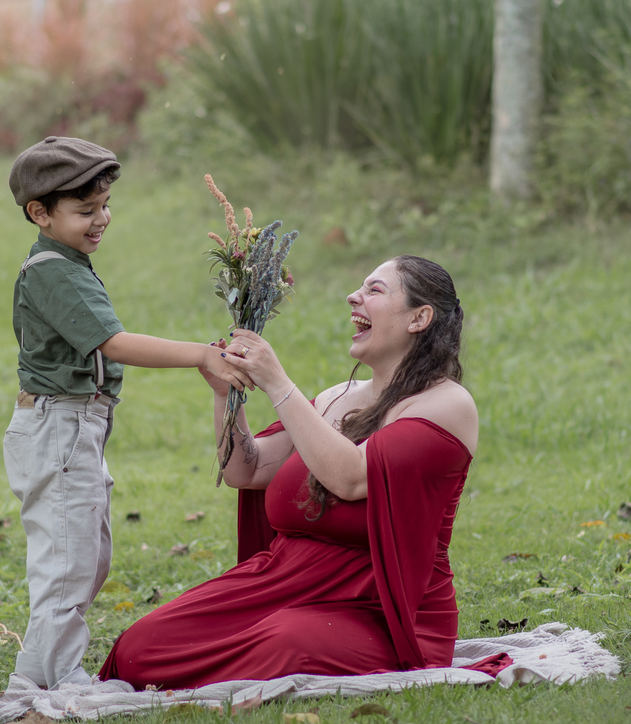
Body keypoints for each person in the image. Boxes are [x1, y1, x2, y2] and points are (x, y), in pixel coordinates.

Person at [99, 255, 482, 689]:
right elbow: (246, 469)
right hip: (280, 582)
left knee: (282, 642)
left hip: (376, 606)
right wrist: (226, 395)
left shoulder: (446, 405)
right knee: (140, 648)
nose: (353, 296)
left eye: (375, 290)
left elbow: (351, 478)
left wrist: (279, 383)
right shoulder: (336, 397)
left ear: (420, 317)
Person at [3, 136, 251, 691]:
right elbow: (113, 343)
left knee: (89, 559)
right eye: (86, 211)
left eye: (104, 206)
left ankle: (47, 669)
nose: (102, 219)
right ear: (39, 213)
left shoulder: (67, 261)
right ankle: (51, 680)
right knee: (67, 561)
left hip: (74, 427)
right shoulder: (53, 270)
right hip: (58, 427)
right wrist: (200, 355)